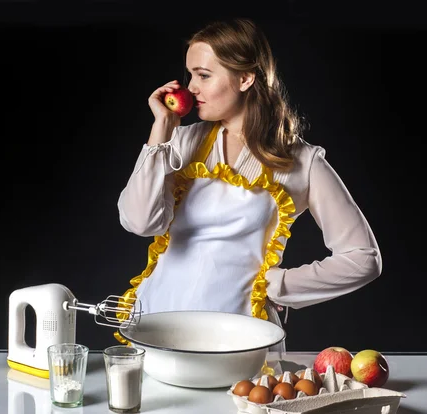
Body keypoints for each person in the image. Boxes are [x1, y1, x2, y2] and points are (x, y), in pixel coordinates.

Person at [115, 18, 382, 351]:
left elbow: (363, 258)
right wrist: (161, 131)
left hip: (242, 340)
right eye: (190, 75)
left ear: (244, 78)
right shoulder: (180, 142)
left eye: (204, 75)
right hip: (156, 326)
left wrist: (281, 284)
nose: (190, 88)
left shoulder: (301, 161)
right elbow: (139, 222)